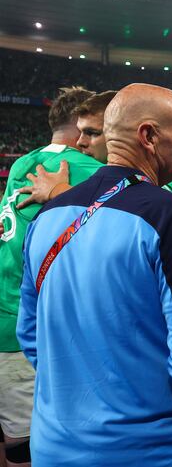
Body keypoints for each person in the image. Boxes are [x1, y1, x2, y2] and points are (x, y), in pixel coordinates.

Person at [16, 83, 172, 466]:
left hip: (54, 448)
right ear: (148, 136)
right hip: (153, 449)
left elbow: (30, 335)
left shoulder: (46, 216)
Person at [0, 86, 100, 467]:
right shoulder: (89, 166)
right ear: (83, 129)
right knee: (27, 445)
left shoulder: (22, 163)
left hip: (5, 314)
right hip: (21, 329)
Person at [15, 90, 172, 207]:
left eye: (92, 133)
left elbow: (146, 208)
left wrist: (58, 191)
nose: (80, 142)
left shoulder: (167, 173)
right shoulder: (91, 170)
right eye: (81, 132)